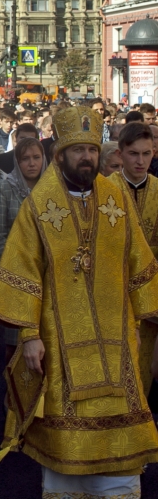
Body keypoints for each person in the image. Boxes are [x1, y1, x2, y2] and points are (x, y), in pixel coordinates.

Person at [0, 107, 158, 499]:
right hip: (59, 343)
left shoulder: (116, 197)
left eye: (92, 150)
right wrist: (28, 334)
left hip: (117, 339)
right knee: (64, 446)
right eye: (77, 150)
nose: (87, 158)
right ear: (58, 154)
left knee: (124, 446)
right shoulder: (39, 205)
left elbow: (140, 261)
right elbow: (23, 271)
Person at [109, 122, 158, 400]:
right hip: (113, 291)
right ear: (120, 154)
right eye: (134, 154)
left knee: (144, 367)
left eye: (147, 154)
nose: (141, 161)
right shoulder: (104, 190)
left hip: (152, 294)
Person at [0, 137, 46, 363]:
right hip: (15, 272)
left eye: (36, 157)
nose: (32, 163)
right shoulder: (5, 186)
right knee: (16, 341)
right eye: (25, 159)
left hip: (47, 270)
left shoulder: (53, 189)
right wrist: (14, 267)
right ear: (16, 161)